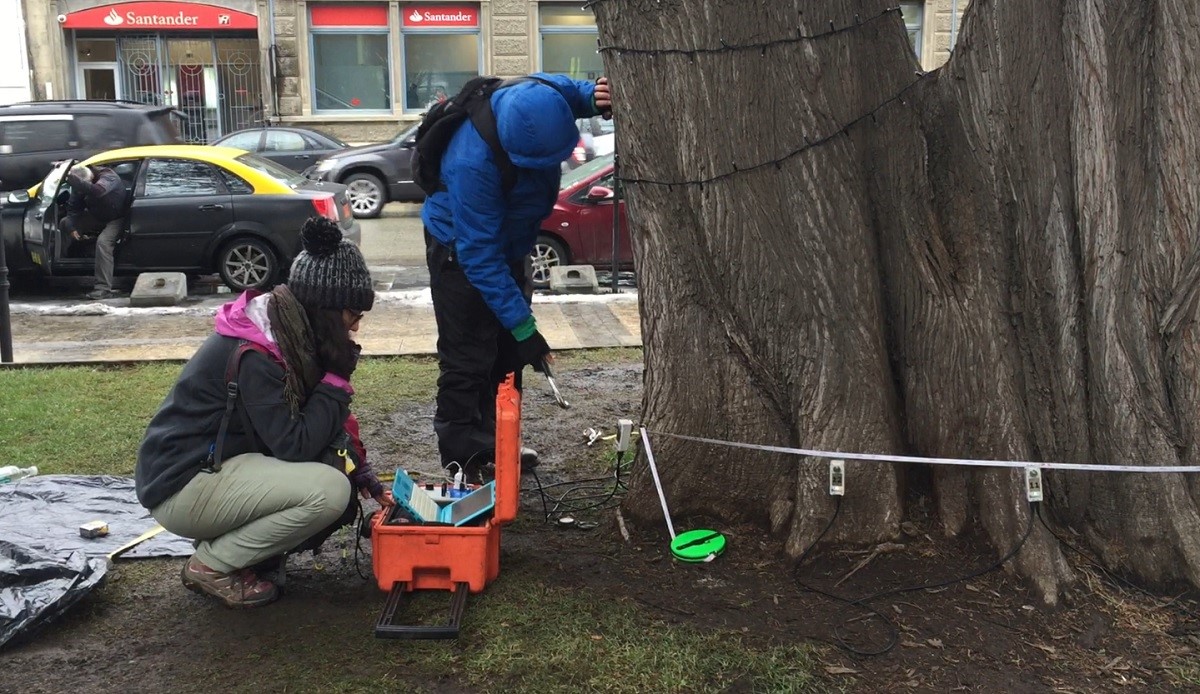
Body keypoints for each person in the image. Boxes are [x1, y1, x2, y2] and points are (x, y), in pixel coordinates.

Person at [134, 217, 392, 609]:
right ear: (324, 310)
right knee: (329, 491)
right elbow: (296, 444)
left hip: (214, 472)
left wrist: (364, 472)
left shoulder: (285, 333)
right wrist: (337, 379)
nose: (356, 326)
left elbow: (326, 427)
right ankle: (212, 564)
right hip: (182, 487)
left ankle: (239, 549)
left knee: (337, 481)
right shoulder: (257, 352)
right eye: (352, 313)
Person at [422, 73, 612, 478]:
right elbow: (479, 257)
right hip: (460, 251)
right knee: (468, 357)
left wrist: (593, 96)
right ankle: (464, 462)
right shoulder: (471, 163)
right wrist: (526, 328)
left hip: (510, 243)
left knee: (508, 355)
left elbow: (569, 92)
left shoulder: (540, 94)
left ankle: (500, 443)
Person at [59, 163, 131, 300]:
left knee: (103, 243)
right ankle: (64, 263)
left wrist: (77, 182)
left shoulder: (108, 176)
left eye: (83, 184)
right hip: (97, 215)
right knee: (65, 223)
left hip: (118, 217)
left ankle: (103, 288)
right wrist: (72, 228)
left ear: (91, 177)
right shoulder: (80, 184)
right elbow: (73, 208)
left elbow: (98, 191)